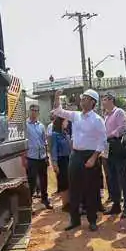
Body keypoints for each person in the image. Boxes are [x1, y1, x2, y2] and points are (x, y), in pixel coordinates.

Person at [53, 88, 107, 232]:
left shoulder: (97, 120)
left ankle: (92, 220)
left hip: (90, 156)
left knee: (90, 189)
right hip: (75, 155)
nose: (81, 100)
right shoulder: (75, 115)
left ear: (92, 102)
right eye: (82, 98)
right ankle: (75, 220)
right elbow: (58, 111)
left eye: (85, 98)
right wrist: (57, 96)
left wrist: (94, 158)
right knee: (74, 189)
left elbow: (102, 141)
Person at [101, 91, 126, 218]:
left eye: (105, 99)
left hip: (117, 145)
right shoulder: (106, 115)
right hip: (108, 147)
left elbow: (122, 128)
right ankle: (116, 205)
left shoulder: (118, 112)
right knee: (112, 177)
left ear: (111, 100)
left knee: (122, 177)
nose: (103, 102)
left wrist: (109, 135)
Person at [26, 104, 53, 210]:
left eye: (36, 111)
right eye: (32, 110)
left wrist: (47, 156)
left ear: (38, 113)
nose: (34, 112)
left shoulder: (41, 125)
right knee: (31, 181)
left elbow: (44, 141)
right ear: (29, 111)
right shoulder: (25, 125)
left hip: (42, 157)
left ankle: (45, 199)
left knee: (44, 179)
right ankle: (29, 203)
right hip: (31, 157)